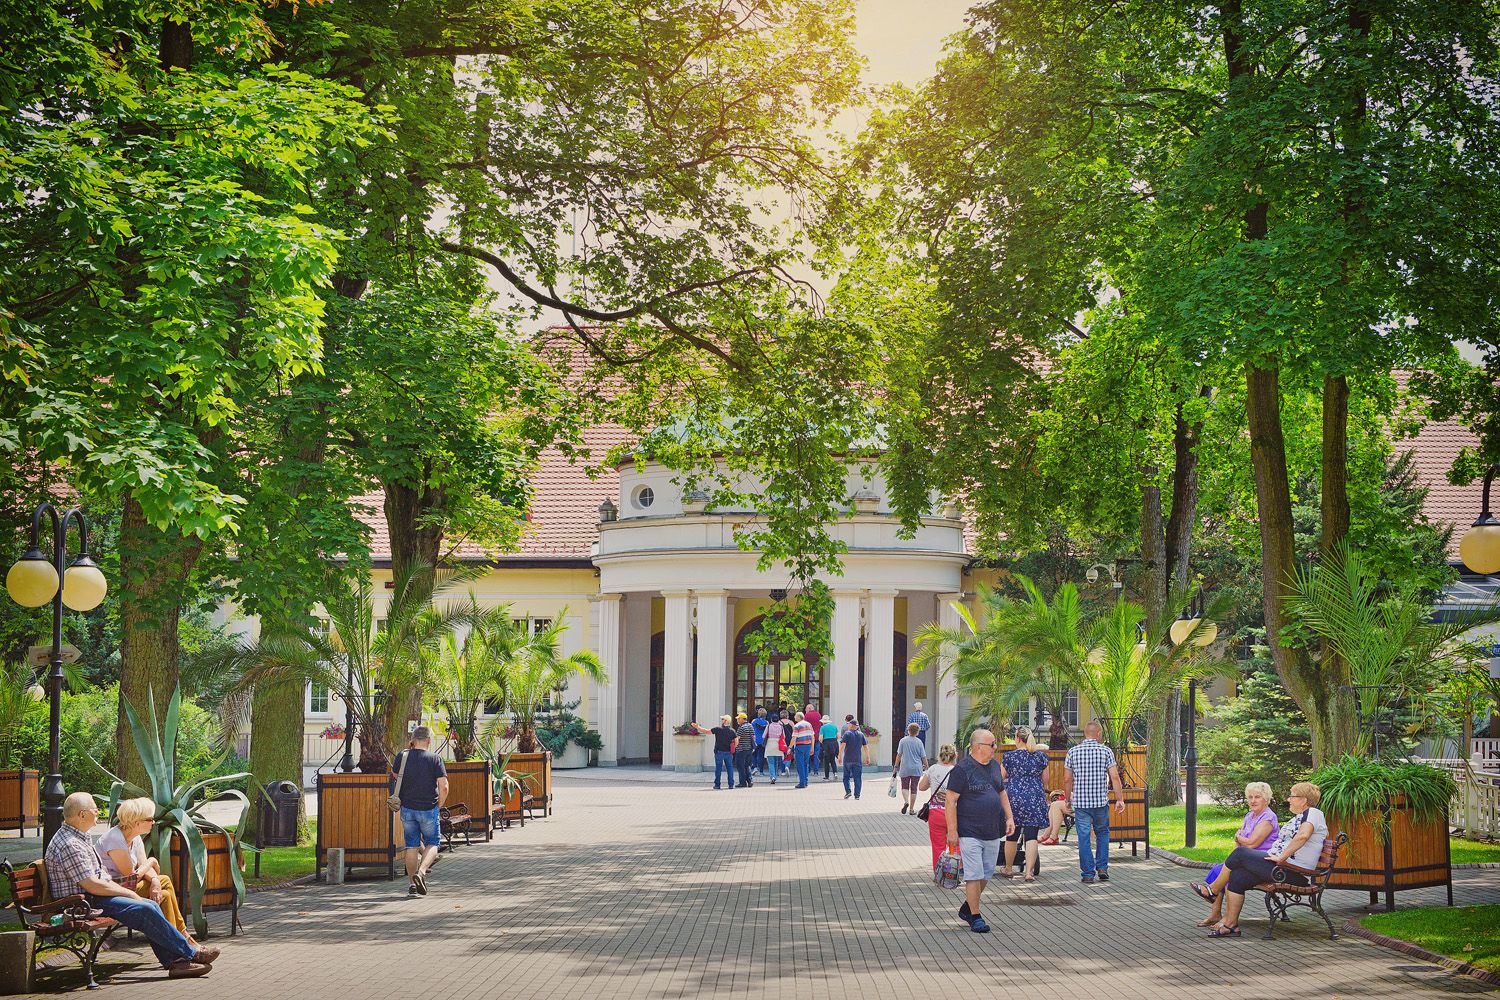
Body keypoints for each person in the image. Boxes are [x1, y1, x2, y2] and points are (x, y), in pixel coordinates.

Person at [46, 791, 219, 978]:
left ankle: (176, 962)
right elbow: (92, 884)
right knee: (146, 908)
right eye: (95, 810)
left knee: (151, 905)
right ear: (82, 815)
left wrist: (148, 879)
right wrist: (129, 893)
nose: (98, 813)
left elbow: (98, 880)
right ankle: (191, 953)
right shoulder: (71, 844)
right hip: (84, 903)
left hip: (94, 897)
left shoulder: (79, 837)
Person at [1207, 782, 1329, 938]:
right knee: (1237, 876)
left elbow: (1303, 836)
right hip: (1282, 868)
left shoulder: (1313, 812)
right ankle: (1231, 925)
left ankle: (1213, 890)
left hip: (1292, 872)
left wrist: (1281, 858)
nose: (1288, 799)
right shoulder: (1300, 817)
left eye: (1292, 795)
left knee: (1241, 854)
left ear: (1304, 800)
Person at [944, 728, 1015, 933]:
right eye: (992, 744)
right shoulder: (962, 769)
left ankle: (967, 907)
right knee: (974, 874)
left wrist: (1009, 817)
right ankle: (975, 916)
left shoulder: (994, 766)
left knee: (986, 872)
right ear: (977, 747)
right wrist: (952, 831)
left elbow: (1001, 792)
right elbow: (950, 800)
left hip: (993, 829)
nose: (995, 748)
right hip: (969, 830)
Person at [96, 796, 194, 943]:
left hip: (126, 885)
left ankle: (180, 938)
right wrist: (152, 861)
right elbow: (131, 875)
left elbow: (143, 868)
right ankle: (181, 938)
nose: (153, 822)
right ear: (137, 822)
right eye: (150, 819)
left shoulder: (134, 837)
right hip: (114, 889)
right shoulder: (114, 839)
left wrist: (154, 880)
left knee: (164, 889)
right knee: (165, 888)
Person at [1190, 781, 1280, 926]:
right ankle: (1215, 914)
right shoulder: (1250, 816)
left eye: (1257, 797)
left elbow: (1252, 843)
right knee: (1217, 870)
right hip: (1245, 858)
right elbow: (1240, 844)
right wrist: (1240, 840)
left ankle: (1227, 917)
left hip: (1260, 860)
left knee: (1230, 875)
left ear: (1266, 799)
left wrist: (1238, 837)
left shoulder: (1268, 818)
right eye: (1250, 797)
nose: (1252, 800)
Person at [1063, 720, 1125, 885]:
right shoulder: (1106, 751)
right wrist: (1120, 799)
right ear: (1098, 734)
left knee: (1083, 837)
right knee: (1102, 833)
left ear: (1085, 734)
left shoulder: (1073, 752)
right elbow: (1114, 776)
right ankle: (1102, 868)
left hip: (1081, 804)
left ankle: (1088, 874)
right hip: (1100, 802)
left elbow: (1067, 779)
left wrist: (1068, 800)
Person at [391, 725, 449, 898]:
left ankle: (411, 886)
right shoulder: (435, 759)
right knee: (433, 843)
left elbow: (395, 775)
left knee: (412, 846)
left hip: (407, 808)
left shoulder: (403, 755)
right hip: (429, 808)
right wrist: (439, 805)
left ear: (413, 740)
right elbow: (444, 786)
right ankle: (421, 872)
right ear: (429, 741)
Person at [1001, 726, 1049, 881]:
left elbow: (1000, 777)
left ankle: (1008, 868)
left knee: (1012, 835)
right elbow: (1045, 780)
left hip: (1013, 797)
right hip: (1034, 797)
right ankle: (1028, 873)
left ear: (1018, 738)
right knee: (1031, 836)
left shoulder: (1009, 757)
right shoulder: (1040, 757)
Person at [918, 743, 959, 869]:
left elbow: (921, 787)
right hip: (954, 813)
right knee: (955, 843)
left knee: (938, 846)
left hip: (935, 812)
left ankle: (939, 873)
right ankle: (955, 872)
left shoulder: (933, 769)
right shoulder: (958, 771)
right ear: (954, 756)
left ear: (939, 755)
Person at [893, 722, 929, 815]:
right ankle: (911, 809)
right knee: (914, 788)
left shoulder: (903, 741)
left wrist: (895, 767)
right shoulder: (919, 742)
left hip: (905, 767)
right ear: (917, 732)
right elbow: (923, 757)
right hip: (916, 768)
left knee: (905, 786)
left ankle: (906, 802)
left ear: (908, 731)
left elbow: (899, 755)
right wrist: (927, 767)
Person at [840, 720, 870, 799]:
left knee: (846, 777)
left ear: (851, 725)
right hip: (857, 759)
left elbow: (843, 745)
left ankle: (848, 791)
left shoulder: (847, 734)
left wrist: (839, 756)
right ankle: (857, 795)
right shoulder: (861, 734)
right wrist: (867, 757)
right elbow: (866, 746)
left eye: (849, 724)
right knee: (857, 778)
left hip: (848, 759)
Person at [710, 714, 738, 789]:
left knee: (718, 768)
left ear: (725, 721)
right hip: (728, 752)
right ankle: (731, 784)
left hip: (719, 752)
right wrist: (733, 748)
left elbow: (707, 731)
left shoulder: (718, 729)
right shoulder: (732, 731)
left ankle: (717, 785)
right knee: (730, 768)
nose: (721, 720)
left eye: (722, 719)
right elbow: (736, 740)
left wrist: (698, 728)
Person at [791, 711, 815, 788]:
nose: (794, 717)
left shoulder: (797, 726)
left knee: (800, 765)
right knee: (805, 764)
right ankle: (805, 781)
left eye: (795, 716)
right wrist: (812, 747)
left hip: (800, 746)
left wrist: (789, 747)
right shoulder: (809, 724)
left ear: (798, 717)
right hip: (808, 746)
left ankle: (802, 783)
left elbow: (794, 738)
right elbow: (812, 737)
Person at [734, 713, 757, 788]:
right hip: (749, 749)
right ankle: (750, 781)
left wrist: (735, 746)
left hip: (741, 749)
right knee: (747, 766)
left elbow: (737, 738)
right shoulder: (750, 726)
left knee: (740, 766)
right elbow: (753, 737)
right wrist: (753, 747)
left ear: (742, 719)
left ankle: (742, 782)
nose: (737, 720)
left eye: (738, 719)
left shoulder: (741, 728)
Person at [764, 714, 787, 783]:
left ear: (771, 720)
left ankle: (773, 776)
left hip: (770, 744)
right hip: (778, 744)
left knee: (771, 762)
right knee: (776, 761)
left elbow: (764, 735)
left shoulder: (768, 726)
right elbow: (784, 736)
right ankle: (775, 776)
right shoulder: (781, 726)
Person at [752, 707, 770, 774]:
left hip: (755, 740)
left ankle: (755, 767)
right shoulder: (767, 722)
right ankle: (761, 772)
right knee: (761, 756)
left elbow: (752, 731)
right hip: (763, 741)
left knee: (754, 754)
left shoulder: (754, 721)